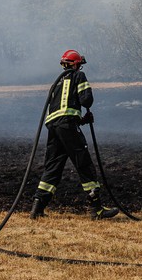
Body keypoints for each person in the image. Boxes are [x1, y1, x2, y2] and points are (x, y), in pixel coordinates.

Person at [29, 50, 120, 220]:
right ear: (76, 64)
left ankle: (37, 208)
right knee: (84, 164)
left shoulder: (56, 83)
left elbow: (62, 110)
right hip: (67, 126)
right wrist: (86, 103)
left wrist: (82, 120)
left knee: (53, 167)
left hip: (54, 128)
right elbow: (86, 100)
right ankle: (96, 210)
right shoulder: (79, 76)